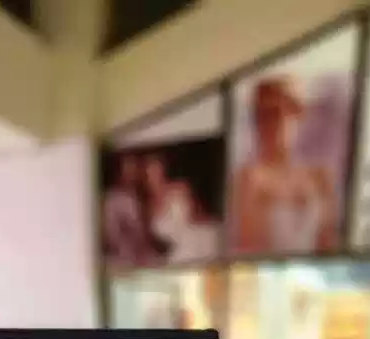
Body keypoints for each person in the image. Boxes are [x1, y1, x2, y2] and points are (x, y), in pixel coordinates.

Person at [233, 76, 337, 253]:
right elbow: (249, 249)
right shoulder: (249, 178)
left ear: (296, 114)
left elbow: (328, 244)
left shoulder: (320, 177)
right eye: (261, 116)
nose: (268, 124)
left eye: (276, 112)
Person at [144, 153, 218, 263]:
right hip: (176, 252)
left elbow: (199, 212)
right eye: (150, 172)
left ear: (163, 170)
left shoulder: (181, 187)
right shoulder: (146, 205)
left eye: (157, 170)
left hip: (198, 237)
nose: (154, 176)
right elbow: (154, 241)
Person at [102, 152, 148, 263]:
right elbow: (111, 236)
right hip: (123, 258)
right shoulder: (112, 198)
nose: (132, 172)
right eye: (127, 167)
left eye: (134, 167)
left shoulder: (142, 196)